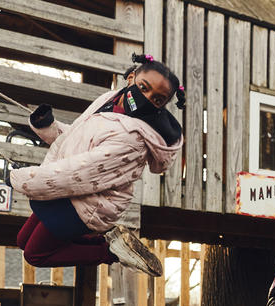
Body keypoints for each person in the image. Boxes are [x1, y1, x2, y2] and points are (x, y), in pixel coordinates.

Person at [10, 53, 185, 276]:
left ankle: (111, 253)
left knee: (35, 254)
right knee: (22, 240)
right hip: (74, 190)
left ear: (161, 106)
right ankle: (109, 242)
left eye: (158, 99)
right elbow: (79, 139)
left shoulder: (133, 138)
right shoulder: (109, 100)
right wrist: (48, 127)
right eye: (144, 87)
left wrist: (21, 180)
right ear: (131, 78)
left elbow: (80, 173)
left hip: (91, 204)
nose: (148, 98)